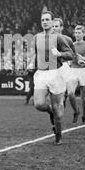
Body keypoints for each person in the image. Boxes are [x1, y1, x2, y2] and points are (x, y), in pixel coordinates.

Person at [33, 11, 73, 145]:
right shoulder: (36, 37)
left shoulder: (59, 38)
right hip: (41, 73)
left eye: (47, 20)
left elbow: (70, 54)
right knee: (38, 104)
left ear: (51, 22)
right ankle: (50, 111)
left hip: (56, 73)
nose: (44, 22)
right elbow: (36, 53)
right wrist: (31, 62)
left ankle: (58, 134)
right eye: (42, 20)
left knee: (58, 109)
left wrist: (60, 53)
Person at [67, 25, 85, 124]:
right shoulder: (71, 45)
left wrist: (83, 58)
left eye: (79, 33)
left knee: (84, 99)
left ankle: (84, 115)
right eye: (76, 33)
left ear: (83, 34)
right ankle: (76, 111)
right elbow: (69, 57)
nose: (77, 34)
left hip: (84, 71)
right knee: (70, 93)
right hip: (73, 70)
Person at [52, 18, 75, 109]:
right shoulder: (48, 39)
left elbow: (73, 54)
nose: (54, 28)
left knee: (67, 93)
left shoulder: (68, 39)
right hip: (53, 68)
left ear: (61, 28)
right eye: (53, 26)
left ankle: (73, 108)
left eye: (56, 26)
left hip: (64, 66)